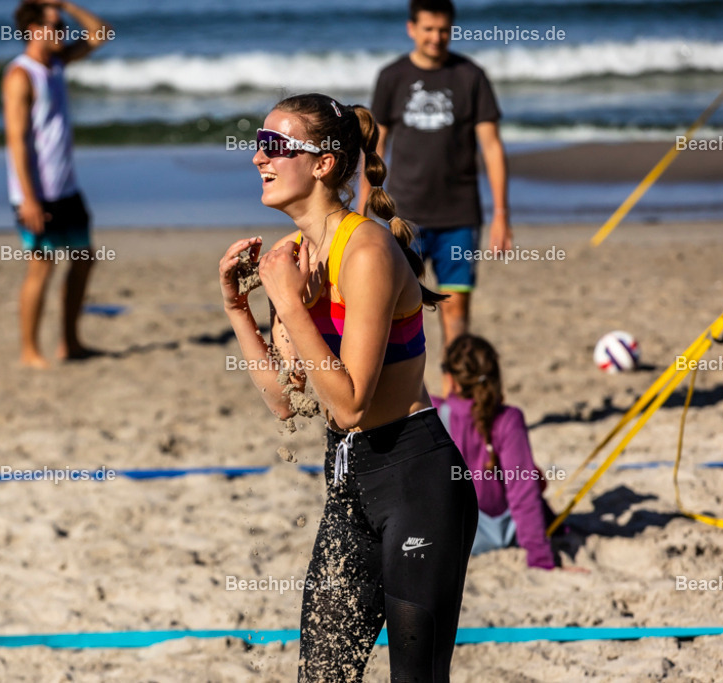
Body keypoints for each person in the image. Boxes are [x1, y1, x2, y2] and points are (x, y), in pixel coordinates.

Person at [219, 94, 478, 682]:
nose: (260, 158)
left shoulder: (366, 251)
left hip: (416, 478)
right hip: (349, 482)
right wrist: (239, 309)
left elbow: (353, 401)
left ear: (323, 164)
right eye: (259, 145)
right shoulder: (298, 256)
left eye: (275, 146)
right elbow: (286, 401)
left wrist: (287, 299)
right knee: (324, 675)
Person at [360, 0, 512, 396]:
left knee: (456, 308)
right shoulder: (392, 76)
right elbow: (375, 148)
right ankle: (405, 393)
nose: (436, 37)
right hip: (403, 215)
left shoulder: (470, 76)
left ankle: (452, 395)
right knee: (397, 308)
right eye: (428, 29)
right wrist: (360, 211)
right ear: (412, 28)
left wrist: (502, 215)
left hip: (460, 214)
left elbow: (492, 147)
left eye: (443, 29)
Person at [2, 0, 112, 368]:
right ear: (33, 30)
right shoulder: (20, 75)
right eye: (55, 26)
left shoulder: (58, 62)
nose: (62, 32)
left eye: (62, 26)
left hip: (67, 187)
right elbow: (16, 141)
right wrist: (29, 198)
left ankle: (71, 342)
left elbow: (102, 32)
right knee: (42, 266)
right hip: (37, 193)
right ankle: (28, 350)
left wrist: (64, 4)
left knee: (84, 260)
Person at [432, 334, 557, 569]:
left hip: (458, 534)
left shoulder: (434, 412)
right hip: (504, 529)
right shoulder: (507, 419)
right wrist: (541, 559)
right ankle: (557, 527)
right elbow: (523, 493)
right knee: (532, 478)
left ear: (452, 379)